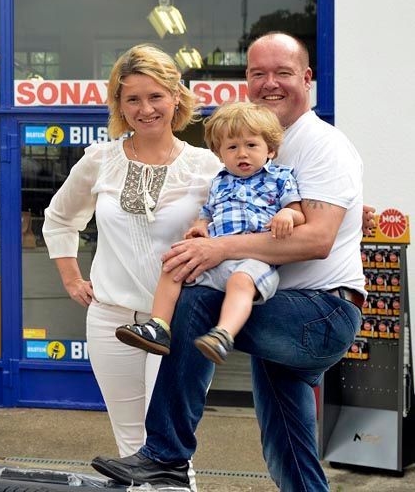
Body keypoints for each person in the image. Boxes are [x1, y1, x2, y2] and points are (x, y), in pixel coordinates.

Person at [91, 32, 366, 492]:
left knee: (196, 303)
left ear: (307, 78)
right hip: (277, 304)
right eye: (259, 73)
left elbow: (317, 239)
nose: (270, 83)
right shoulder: (257, 142)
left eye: (283, 73)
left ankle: (165, 455)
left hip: (319, 311)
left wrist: (218, 249)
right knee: (289, 451)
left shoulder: (322, 145)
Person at [42, 44, 222, 457]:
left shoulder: (208, 167)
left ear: (176, 97)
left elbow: (252, 216)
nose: (146, 109)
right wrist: (71, 277)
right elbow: (60, 217)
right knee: (130, 447)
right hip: (111, 322)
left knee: (170, 450)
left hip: (180, 324)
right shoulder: (100, 160)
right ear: (120, 105)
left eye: (156, 96)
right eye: (133, 99)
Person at [115, 102, 305, 364]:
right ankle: (158, 326)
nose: (242, 154)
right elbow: (206, 215)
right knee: (174, 263)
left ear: (270, 149)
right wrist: (199, 228)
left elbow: (298, 212)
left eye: (251, 145)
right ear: (219, 154)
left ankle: (223, 334)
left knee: (241, 282)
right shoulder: (219, 181)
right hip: (215, 260)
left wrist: (287, 215)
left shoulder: (280, 177)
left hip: (255, 262)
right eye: (232, 147)